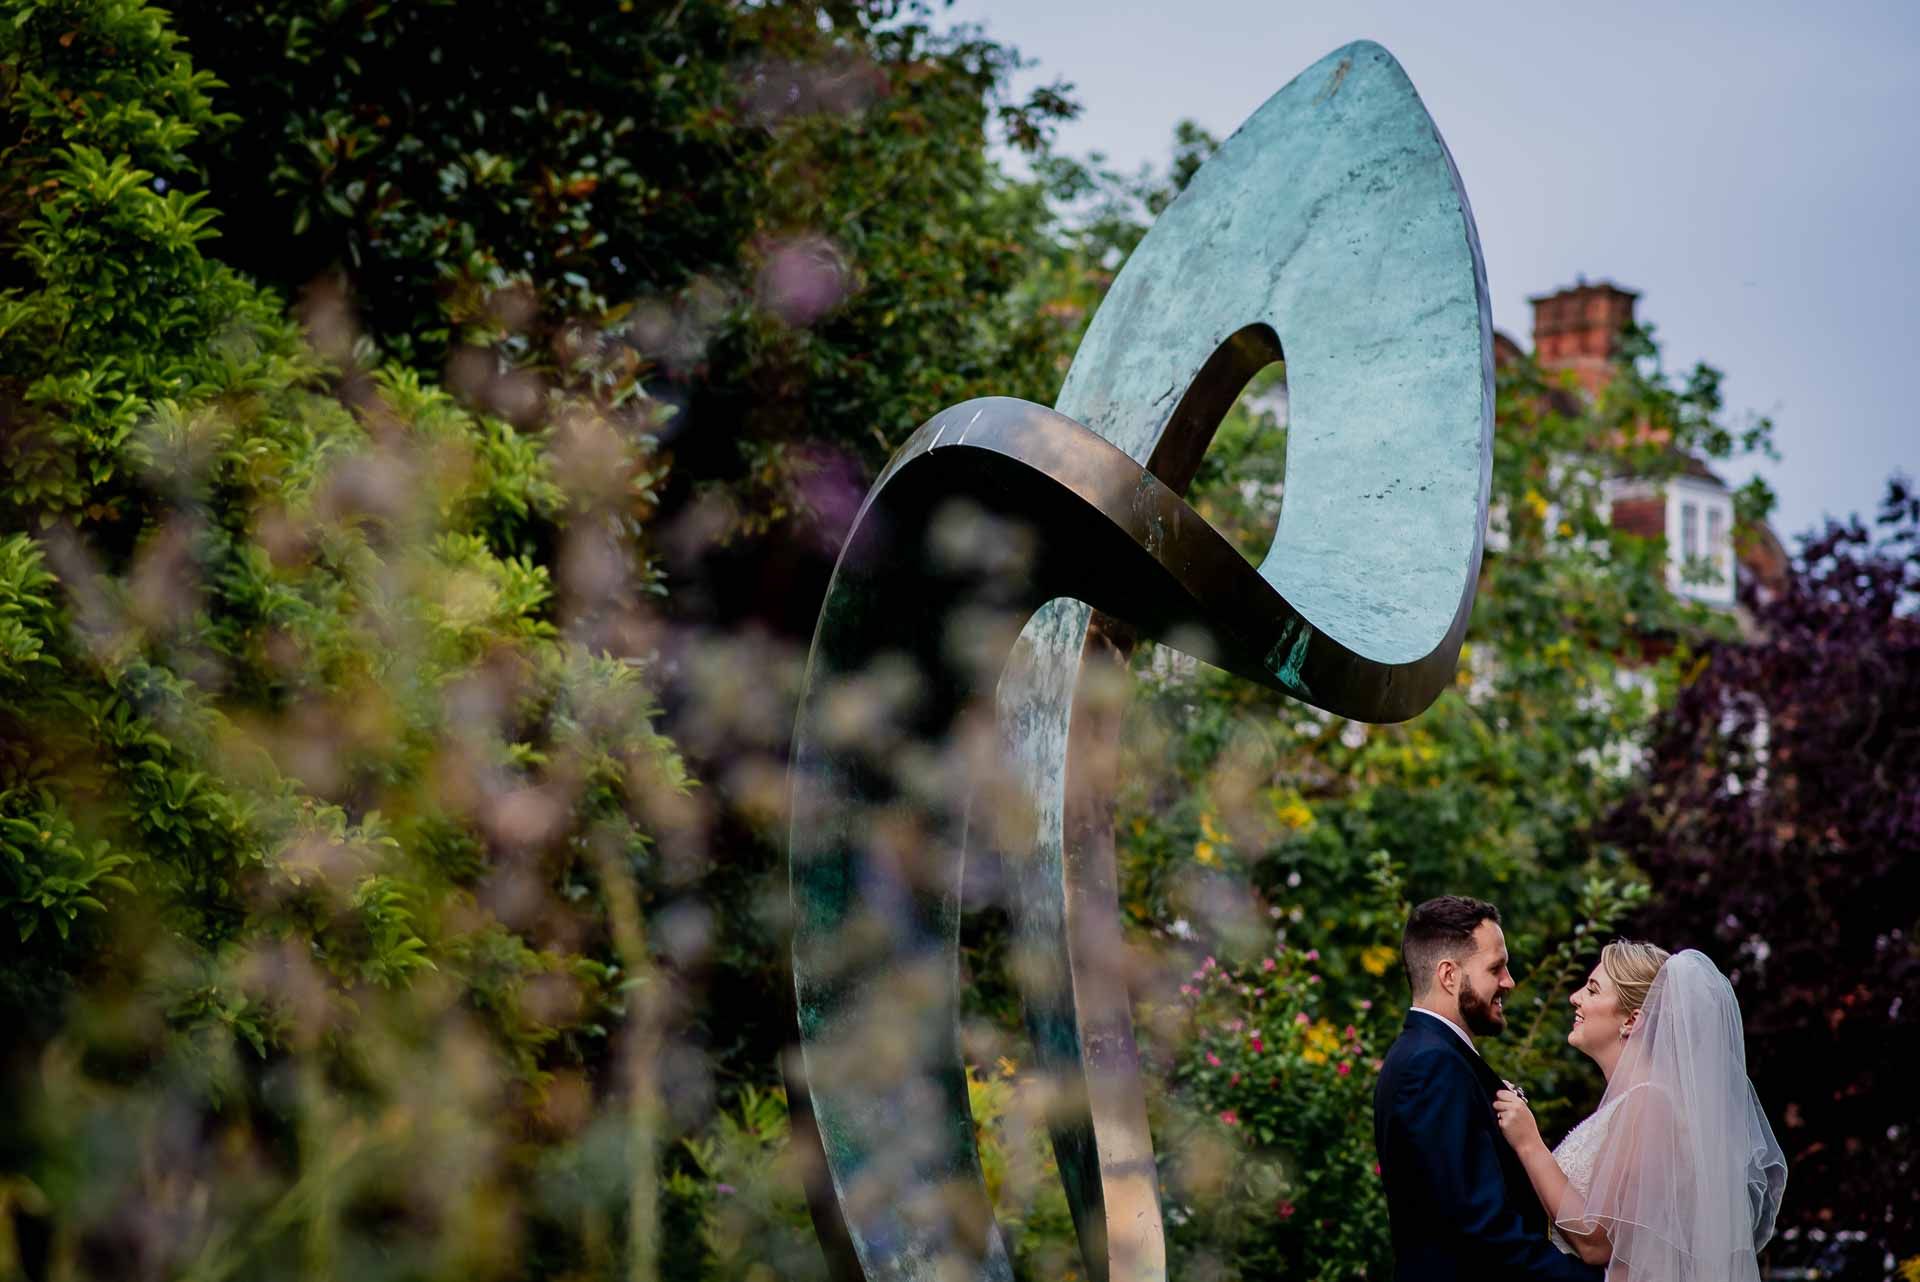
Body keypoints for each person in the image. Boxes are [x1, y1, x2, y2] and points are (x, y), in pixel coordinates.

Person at [1492, 944, 1788, 1282]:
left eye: (1592, 989)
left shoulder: (1650, 1106)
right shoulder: (1635, 1104)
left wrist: (1530, 1144)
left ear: (1631, 1020)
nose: (1575, 997)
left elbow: (1596, 1242)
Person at [1373, 896, 1603, 1282]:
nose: (1509, 981)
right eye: (1496, 968)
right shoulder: (1431, 1065)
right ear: (1449, 975)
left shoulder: (1433, 1056)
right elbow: (1483, 1231)